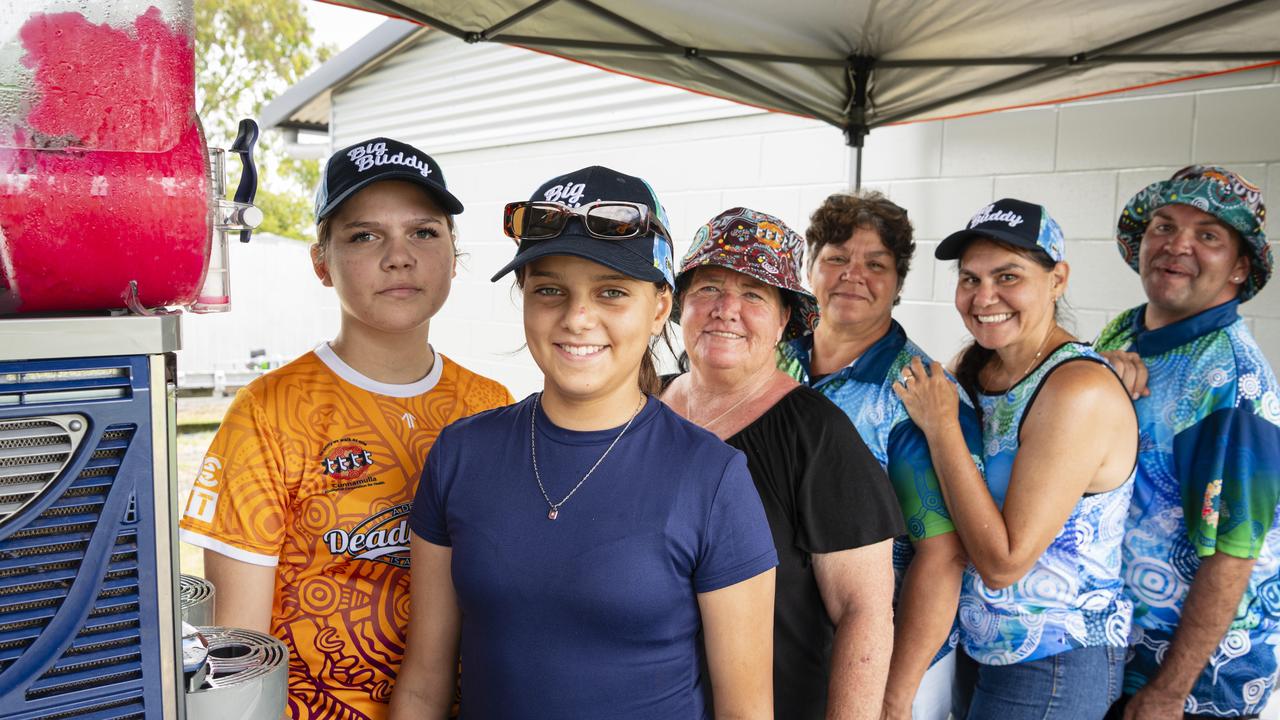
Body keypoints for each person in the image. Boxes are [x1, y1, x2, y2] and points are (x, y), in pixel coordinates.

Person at [391, 168, 778, 719]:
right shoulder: (460, 454)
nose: (577, 318)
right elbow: (425, 682)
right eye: (550, 289)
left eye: (611, 292)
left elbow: (746, 711)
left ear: (660, 307)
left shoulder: (713, 479)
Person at [178, 137, 513, 719]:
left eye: (424, 232)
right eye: (364, 235)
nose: (399, 256)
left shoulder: (491, 405)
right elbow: (237, 656)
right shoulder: (267, 413)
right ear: (321, 262)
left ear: (455, 255)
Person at [894, 199, 1139, 719]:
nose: (984, 297)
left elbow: (1004, 562)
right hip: (982, 643)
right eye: (970, 279)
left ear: (1057, 280)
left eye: (1008, 276)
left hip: (1055, 658)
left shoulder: (1078, 389)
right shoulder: (978, 367)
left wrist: (941, 429)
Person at [662, 207, 904, 720]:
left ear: (783, 320)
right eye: (708, 288)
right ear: (679, 303)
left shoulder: (816, 434)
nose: (727, 309)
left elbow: (864, 611)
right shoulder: (641, 407)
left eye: (753, 295)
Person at [776, 192, 981, 720]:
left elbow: (942, 556)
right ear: (810, 267)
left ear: (898, 281)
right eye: (837, 258)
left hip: (876, 657)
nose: (853, 275)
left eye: (876, 264)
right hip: (781, 643)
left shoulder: (917, 390)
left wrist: (894, 693)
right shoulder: (774, 359)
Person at [1094, 166, 1280, 719]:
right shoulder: (1124, 333)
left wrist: (1170, 691)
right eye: (1164, 226)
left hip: (1195, 679)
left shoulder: (1232, 380)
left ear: (1239, 267)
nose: (1177, 245)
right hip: (1113, 647)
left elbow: (1233, 552)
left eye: (1208, 236)